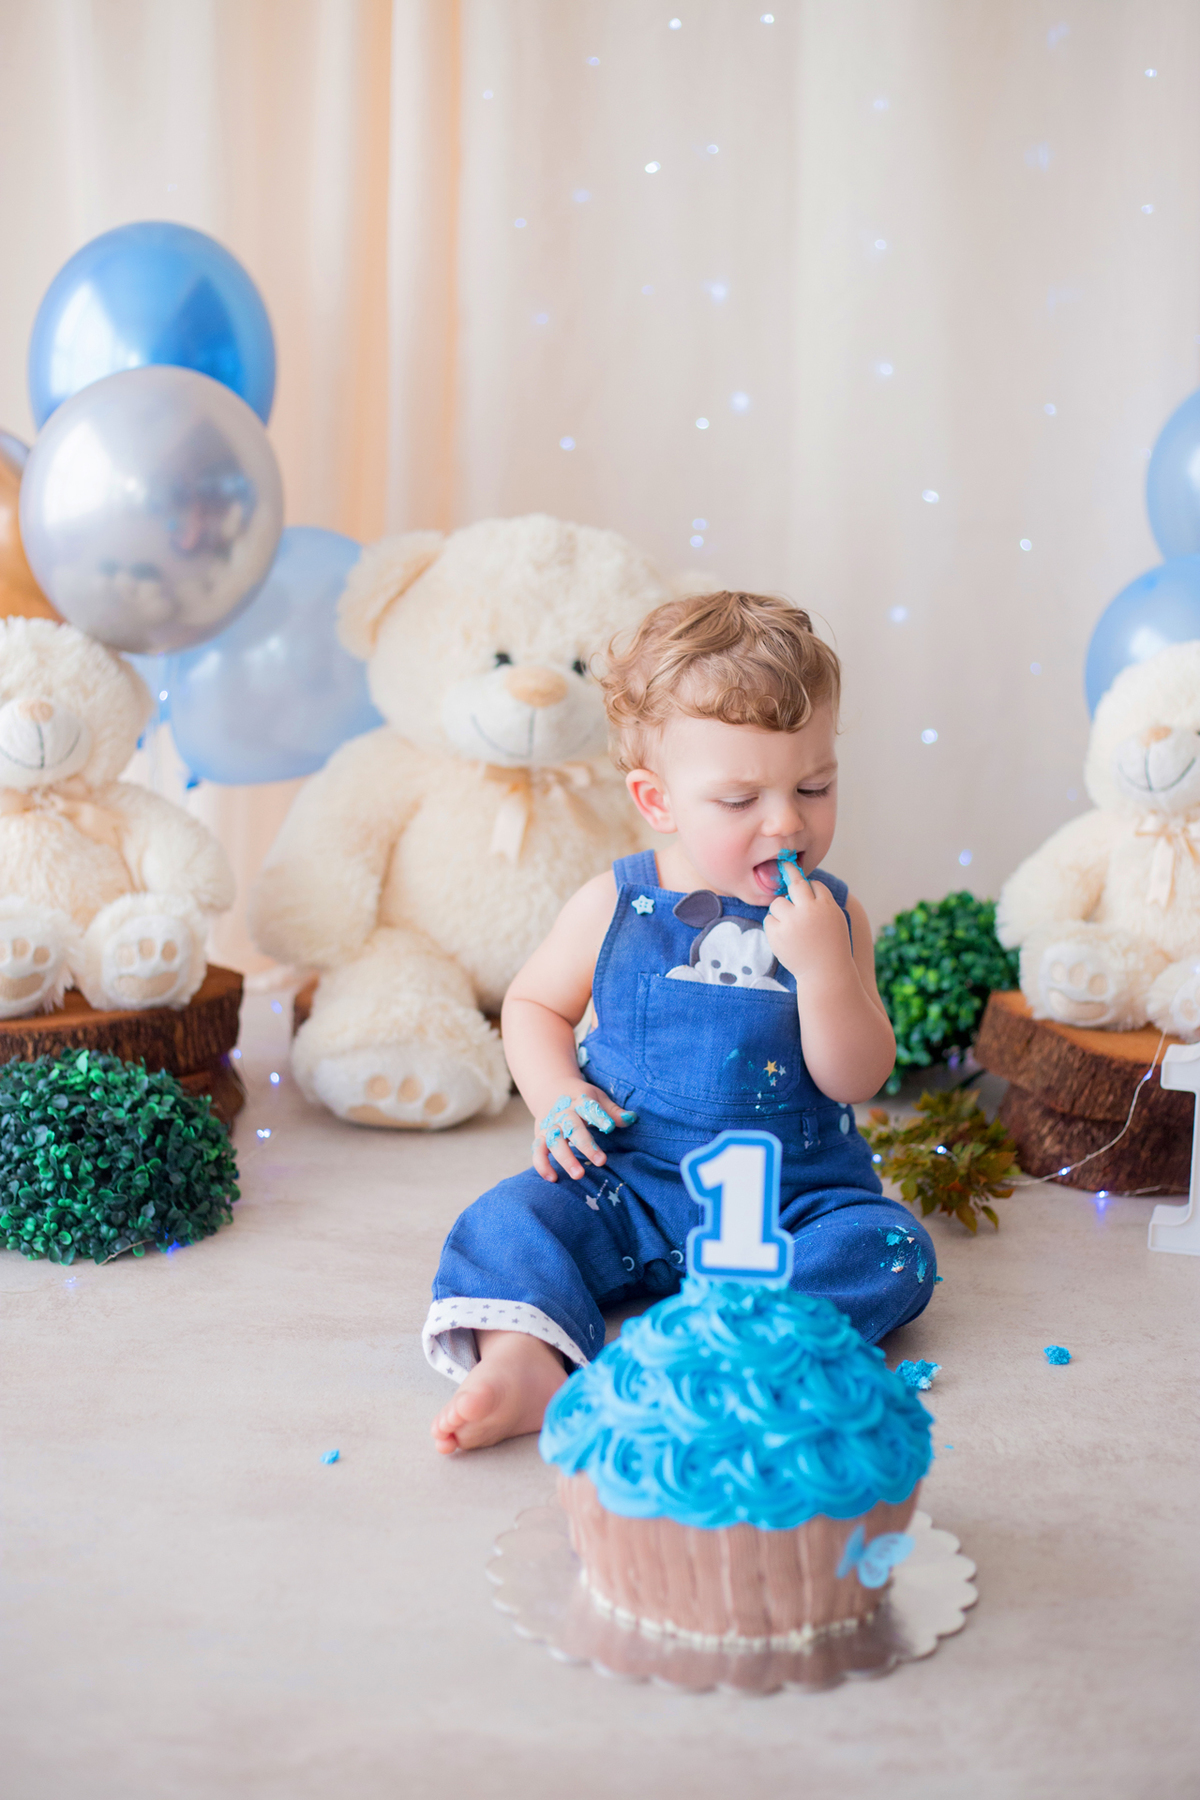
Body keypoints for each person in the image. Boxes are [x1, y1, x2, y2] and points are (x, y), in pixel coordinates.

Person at [426, 590, 935, 1453]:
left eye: (814, 786)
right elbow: (533, 1005)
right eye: (740, 801)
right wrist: (555, 1096)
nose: (788, 823)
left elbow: (859, 1076)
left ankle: (730, 1354)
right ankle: (523, 1360)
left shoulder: (839, 919)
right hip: (626, 1181)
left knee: (891, 1248)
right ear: (656, 800)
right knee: (508, 1220)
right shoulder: (614, 903)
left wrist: (823, 969)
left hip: (794, 1200)